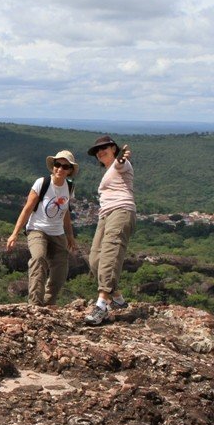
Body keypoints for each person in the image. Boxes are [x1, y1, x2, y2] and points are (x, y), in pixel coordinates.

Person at [6, 150, 78, 306]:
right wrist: (14, 234)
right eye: (57, 164)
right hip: (37, 229)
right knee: (38, 258)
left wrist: (70, 236)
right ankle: (35, 305)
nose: (60, 169)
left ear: (70, 170)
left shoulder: (69, 187)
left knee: (60, 269)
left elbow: (65, 212)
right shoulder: (42, 183)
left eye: (65, 167)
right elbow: (27, 209)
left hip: (57, 232)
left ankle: (49, 302)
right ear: (53, 166)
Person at [84, 135, 135, 326]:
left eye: (104, 147)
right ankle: (118, 298)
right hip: (105, 215)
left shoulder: (121, 164)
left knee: (110, 254)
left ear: (114, 148)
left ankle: (102, 306)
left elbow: (122, 162)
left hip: (121, 211)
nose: (100, 152)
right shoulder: (108, 172)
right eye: (97, 150)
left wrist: (123, 157)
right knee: (95, 259)